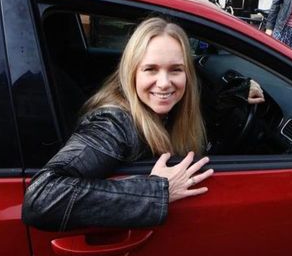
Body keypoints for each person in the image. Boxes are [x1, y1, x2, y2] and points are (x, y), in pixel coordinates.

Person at [22, 17, 264, 231]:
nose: (164, 83)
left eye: (176, 70)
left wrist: (239, 91)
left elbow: (205, 107)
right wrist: (157, 190)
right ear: (132, 72)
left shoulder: (171, 108)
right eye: (151, 69)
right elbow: (42, 197)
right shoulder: (115, 123)